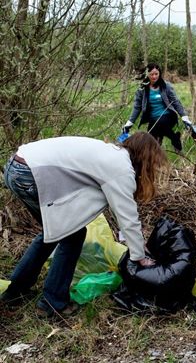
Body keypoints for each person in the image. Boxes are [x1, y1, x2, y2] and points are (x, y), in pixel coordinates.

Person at [0, 132, 167, 317]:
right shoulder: (121, 167)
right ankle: (52, 303)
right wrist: (139, 256)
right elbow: (127, 217)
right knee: (72, 236)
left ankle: (15, 289)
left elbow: (119, 212)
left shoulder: (109, 154)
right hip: (30, 174)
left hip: (15, 167)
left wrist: (136, 242)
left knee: (54, 232)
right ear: (145, 157)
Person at [122, 63, 189, 153]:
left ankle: (173, 139)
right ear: (147, 75)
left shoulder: (166, 86)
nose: (154, 76)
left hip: (168, 116)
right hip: (153, 120)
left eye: (156, 74)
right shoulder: (142, 89)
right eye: (151, 74)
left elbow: (176, 102)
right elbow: (137, 107)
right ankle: (173, 138)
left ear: (159, 73)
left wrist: (184, 117)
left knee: (159, 124)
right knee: (150, 142)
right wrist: (129, 123)